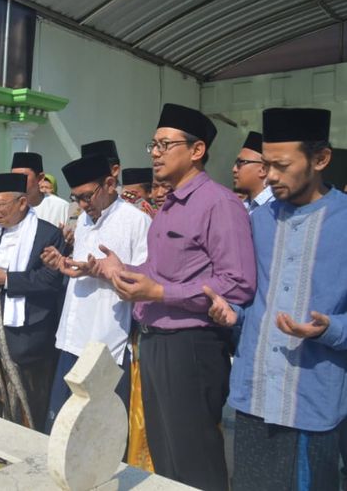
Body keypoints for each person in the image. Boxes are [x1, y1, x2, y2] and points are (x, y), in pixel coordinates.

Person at [92, 103, 256, 491]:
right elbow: (160, 271)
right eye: (154, 145)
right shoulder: (168, 207)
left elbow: (237, 283)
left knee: (194, 459)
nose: (156, 153)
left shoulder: (219, 203)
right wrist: (125, 272)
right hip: (156, 343)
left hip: (192, 346)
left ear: (196, 150)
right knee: (165, 458)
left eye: (165, 144)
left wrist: (162, 293)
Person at [206, 108, 347, 491]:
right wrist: (231, 312)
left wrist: (329, 328)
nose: (269, 176)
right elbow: (252, 299)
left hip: (310, 401)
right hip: (254, 397)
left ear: (321, 159)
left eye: (281, 165)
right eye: (265, 165)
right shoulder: (259, 220)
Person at [41, 149, 150, 434]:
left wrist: (106, 271)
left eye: (87, 196)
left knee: (98, 432)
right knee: (64, 428)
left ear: (111, 185)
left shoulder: (136, 221)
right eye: (76, 197)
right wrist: (65, 264)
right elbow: (84, 268)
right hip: (72, 336)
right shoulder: (85, 221)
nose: (81, 204)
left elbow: (146, 283)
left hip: (107, 342)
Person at [0, 172, 65, 432]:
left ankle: (32, 442)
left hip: (28, 329)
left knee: (30, 394)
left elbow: (50, 280)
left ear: (21, 203)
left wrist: (7, 279)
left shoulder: (47, 234)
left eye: (0, 205)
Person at [11, 152, 70, 228]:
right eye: (14, 176)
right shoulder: (7, 206)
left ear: (40, 178)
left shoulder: (60, 207)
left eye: (23, 176)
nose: (17, 181)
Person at [232, 131, 273, 214]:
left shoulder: (276, 209)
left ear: (263, 170)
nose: (234, 169)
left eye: (241, 162)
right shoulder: (243, 205)